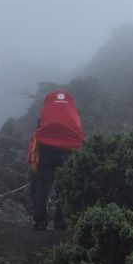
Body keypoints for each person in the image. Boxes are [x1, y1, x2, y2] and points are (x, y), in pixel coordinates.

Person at [27, 90, 84, 231]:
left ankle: (40, 222)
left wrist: (32, 158)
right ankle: (60, 223)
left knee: (42, 186)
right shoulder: (72, 113)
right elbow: (78, 131)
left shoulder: (46, 113)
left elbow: (37, 134)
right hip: (66, 153)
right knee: (64, 187)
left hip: (45, 151)